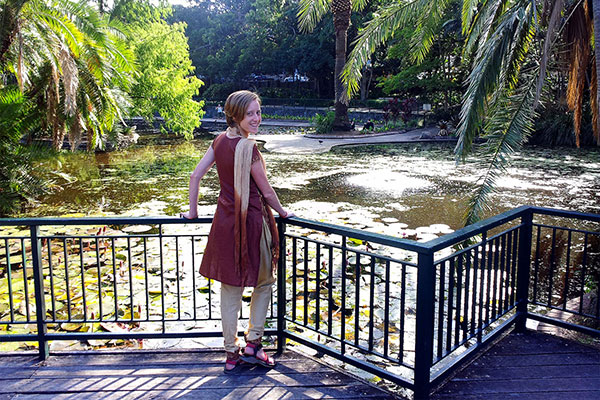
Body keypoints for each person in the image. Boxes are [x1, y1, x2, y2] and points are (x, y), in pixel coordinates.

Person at [181, 90, 294, 373]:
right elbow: (265, 190)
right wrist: (282, 212)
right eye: (250, 114)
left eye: (258, 112)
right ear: (236, 115)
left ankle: (231, 353)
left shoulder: (218, 141)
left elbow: (195, 176)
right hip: (253, 222)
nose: (256, 118)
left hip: (225, 223)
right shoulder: (249, 148)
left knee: (230, 288)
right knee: (263, 281)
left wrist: (193, 212)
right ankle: (254, 344)